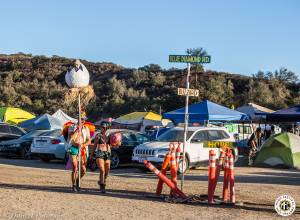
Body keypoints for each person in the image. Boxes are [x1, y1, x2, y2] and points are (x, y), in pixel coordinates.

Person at [68, 114, 91, 192]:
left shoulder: (86, 128)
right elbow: (71, 138)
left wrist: (83, 145)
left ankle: (78, 181)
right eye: (81, 119)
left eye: (84, 119)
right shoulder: (72, 127)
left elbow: (89, 140)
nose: (82, 121)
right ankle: (73, 185)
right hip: (73, 148)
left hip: (82, 149)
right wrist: (77, 129)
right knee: (75, 167)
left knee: (83, 170)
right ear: (78, 119)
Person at [91, 121, 112, 193]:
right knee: (102, 170)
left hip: (107, 153)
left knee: (107, 170)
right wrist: (91, 155)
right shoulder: (98, 136)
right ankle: (102, 187)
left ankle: (102, 181)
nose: (102, 128)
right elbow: (94, 146)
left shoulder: (110, 136)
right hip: (100, 153)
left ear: (107, 128)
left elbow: (114, 145)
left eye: (104, 127)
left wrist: (117, 143)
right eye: (101, 127)